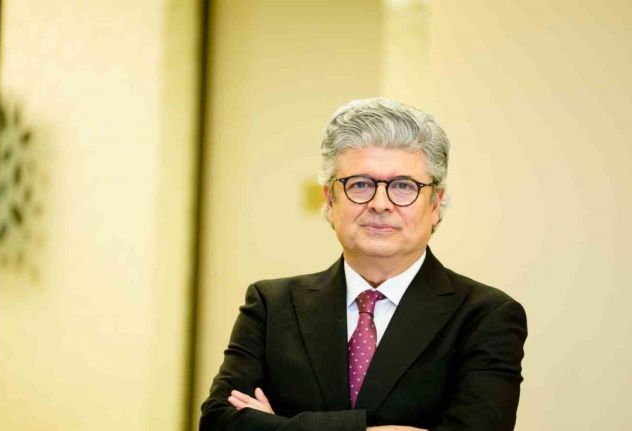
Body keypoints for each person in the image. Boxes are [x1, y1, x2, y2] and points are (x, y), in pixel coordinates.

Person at [199, 98, 527, 431]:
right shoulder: (272, 305)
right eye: (360, 184)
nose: (380, 204)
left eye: (404, 186)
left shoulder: (486, 316)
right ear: (330, 201)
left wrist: (279, 427)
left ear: (435, 204)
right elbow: (218, 422)